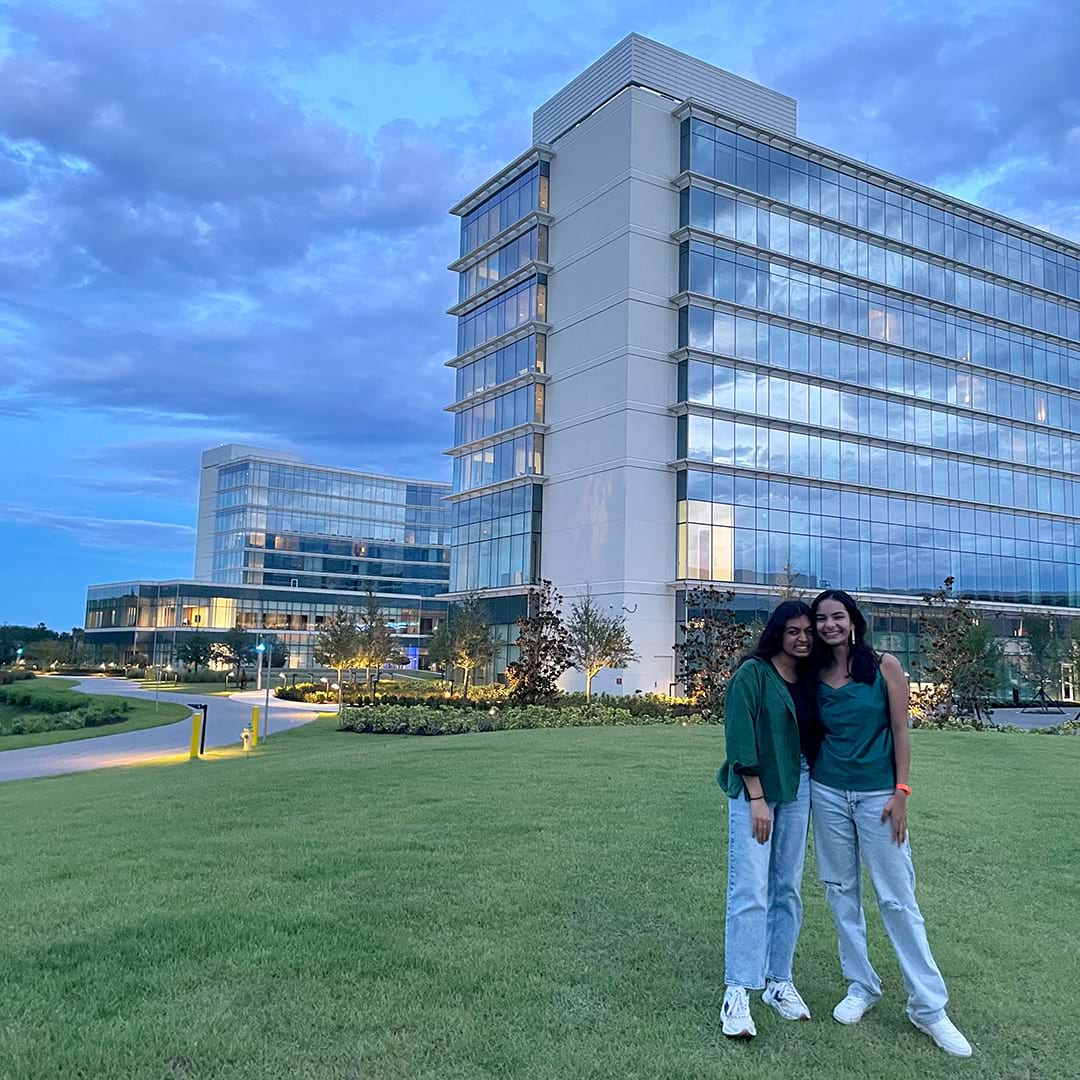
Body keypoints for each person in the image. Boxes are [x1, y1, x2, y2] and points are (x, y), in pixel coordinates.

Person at [809, 589, 972, 1058]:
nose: (828, 625)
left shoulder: (884, 666)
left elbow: (901, 730)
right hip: (828, 792)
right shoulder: (815, 673)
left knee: (897, 899)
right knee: (841, 891)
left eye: (836, 616)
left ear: (852, 619)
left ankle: (929, 1008)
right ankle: (861, 986)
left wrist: (902, 793)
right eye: (821, 618)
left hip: (879, 794)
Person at [717, 600, 821, 1039]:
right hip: (756, 789)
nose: (802, 638)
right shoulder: (752, 675)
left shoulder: (811, 678)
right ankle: (738, 989)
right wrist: (757, 796)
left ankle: (779, 981)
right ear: (777, 632)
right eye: (793, 630)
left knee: (787, 888)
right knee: (750, 887)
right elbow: (740, 734)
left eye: (807, 632)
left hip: (798, 784)